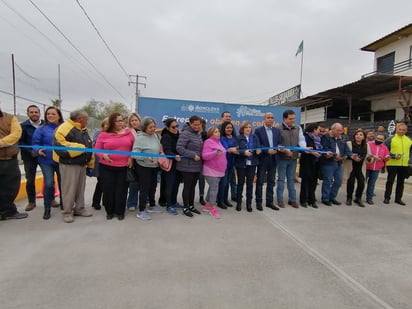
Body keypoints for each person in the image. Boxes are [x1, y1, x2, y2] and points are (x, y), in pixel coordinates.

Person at [53, 110, 94, 223]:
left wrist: (90, 162)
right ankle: (67, 212)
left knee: (80, 189)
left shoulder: (82, 129)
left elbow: (89, 145)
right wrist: (81, 148)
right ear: (80, 119)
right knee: (69, 189)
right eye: (86, 119)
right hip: (69, 164)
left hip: (81, 164)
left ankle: (79, 209)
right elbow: (60, 145)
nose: (87, 121)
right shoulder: (64, 128)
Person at [95, 112, 134, 220]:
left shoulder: (128, 133)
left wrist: (131, 157)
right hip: (106, 167)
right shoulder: (103, 134)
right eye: (118, 121)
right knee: (108, 189)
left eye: (122, 120)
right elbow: (97, 149)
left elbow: (133, 148)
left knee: (122, 190)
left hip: (123, 167)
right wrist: (103, 155)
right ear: (112, 122)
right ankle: (110, 211)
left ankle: (120, 211)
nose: (121, 122)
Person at [32, 106, 64, 219]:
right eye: (48, 114)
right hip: (46, 160)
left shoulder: (64, 128)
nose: (50, 116)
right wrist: (38, 149)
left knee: (63, 183)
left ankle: (64, 204)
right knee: (49, 183)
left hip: (62, 160)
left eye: (53, 114)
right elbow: (35, 143)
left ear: (59, 116)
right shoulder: (41, 129)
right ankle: (47, 209)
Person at [0, 107, 28, 220]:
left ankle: (8, 211)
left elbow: (16, 135)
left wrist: (1, 143)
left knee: (11, 187)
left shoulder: (10, 118)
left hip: (10, 160)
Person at [133, 117, 162, 220]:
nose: (153, 129)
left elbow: (158, 147)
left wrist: (160, 152)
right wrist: (145, 157)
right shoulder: (140, 138)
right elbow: (134, 154)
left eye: (154, 127)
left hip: (154, 166)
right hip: (144, 167)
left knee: (153, 187)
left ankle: (152, 205)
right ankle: (141, 211)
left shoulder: (155, 136)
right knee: (144, 189)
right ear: (144, 128)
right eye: (150, 127)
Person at [276, 110, 307, 208]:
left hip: (293, 158)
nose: (293, 120)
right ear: (284, 119)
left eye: (294, 118)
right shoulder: (278, 129)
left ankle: (292, 200)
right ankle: (280, 200)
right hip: (282, 158)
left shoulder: (298, 128)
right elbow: (277, 144)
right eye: (290, 119)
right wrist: (285, 150)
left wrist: (304, 148)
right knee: (281, 180)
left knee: (291, 179)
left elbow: (301, 140)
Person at [320, 123, 354, 206]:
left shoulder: (342, 138)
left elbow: (347, 149)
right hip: (328, 162)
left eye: (341, 130)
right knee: (328, 180)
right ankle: (325, 198)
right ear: (332, 129)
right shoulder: (326, 137)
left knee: (338, 180)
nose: (340, 132)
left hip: (339, 162)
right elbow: (325, 148)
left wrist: (351, 155)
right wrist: (334, 155)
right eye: (338, 130)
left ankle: (332, 197)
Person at [176, 115, 203, 218]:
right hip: (186, 166)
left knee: (192, 187)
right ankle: (185, 207)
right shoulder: (185, 133)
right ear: (190, 124)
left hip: (196, 166)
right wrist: (192, 155)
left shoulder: (198, 134)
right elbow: (179, 148)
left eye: (198, 125)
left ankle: (191, 206)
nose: (197, 126)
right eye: (195, 125)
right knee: (187, 187)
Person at [254, 112, 281, 211]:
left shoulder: (276, 131)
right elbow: (258, 144)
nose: (270, 119)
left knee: (271, 181)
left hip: (274, 159)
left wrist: (279, 148)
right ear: (264, 119)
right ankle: (259, 202)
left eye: (272, 118)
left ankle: (269, 202)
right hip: (263, 159)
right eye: (268, 117)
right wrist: (267, 150)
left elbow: (279, 143)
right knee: (260, 181)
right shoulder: (258, 131)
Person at [20, 105, 43, 211]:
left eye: (36, 112)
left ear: (39, 113)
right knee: (30, 180)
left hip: (44, 156)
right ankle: (31, 202)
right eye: (31, 112)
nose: (34, 114)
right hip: (29, 157)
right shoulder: (23, 126)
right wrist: (31, 152)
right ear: (28, 113)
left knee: (49, 179)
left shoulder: (45, 125)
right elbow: (20, 142)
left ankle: (51, 199)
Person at [383, 122, 412, 205]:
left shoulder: (409, 140)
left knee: (401, 182)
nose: (401, 131)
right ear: (396, 129)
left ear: (406, 131)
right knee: (390, 181)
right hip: (392, 164)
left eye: (403, 130)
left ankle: (398, 199)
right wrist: (393, 156)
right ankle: (387, 197)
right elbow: (385, 150)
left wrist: (410, 161)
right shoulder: (390, 139)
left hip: (404, 164)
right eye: (400, 129)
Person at [201, 126, 226, 219]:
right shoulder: (208, 142)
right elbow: (204, 156)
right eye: (215, 132)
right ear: (211, 133)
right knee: (215, 188)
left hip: (219, 170)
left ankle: (207, 205)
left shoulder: (218, 142)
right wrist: (214, 153)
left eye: (218, 131)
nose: (218, 133)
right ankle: (212, 207)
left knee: (213, 187)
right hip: (211, 169)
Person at [235, 121, 260, 212]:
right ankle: (239, 203)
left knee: (250, 184)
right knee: (240, 184)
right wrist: (243, 152)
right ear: (242, 129)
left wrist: (258, 151)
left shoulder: (255, 137)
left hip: (252, 164)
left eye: (250, 127)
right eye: (246, 127)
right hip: (241, 164)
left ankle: (249, 203)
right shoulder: (238, 138)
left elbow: (258, 148)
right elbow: (236, 151)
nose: (248, 129)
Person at [160, 118, 182, 215]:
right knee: (169, 185)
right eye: (173, 127)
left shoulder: (178, 136)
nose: (176, 128)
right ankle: (169, 205)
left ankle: (174, 202)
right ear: (168, 128)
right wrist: (174, 156)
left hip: (178, 165)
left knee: (176, 184)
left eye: (177, 126)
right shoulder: (166, 137)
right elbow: (167, 150)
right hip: (170, 165)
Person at [343, 129, 369, 207]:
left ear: (364, 137)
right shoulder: (349, 144)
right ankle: (349, 198)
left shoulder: (366, 146)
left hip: (360, 167)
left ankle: (358, 198)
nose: (358, 136)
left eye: (361, 135)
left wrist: (370, 158)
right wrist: (352, 157)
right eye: (357, 134)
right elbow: (344, 154)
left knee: (361, 183)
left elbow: (368, 157)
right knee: (350, 183)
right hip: (351, 166)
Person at [299, 123, 322, 208]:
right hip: (307, 162)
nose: (319, 132)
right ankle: (303, 200)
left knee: (314, 182)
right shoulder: (305, 137)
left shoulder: (319, 139)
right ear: (314, 129)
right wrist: (312, 152)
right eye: (318, 129)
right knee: (305, 182)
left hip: (316, 163)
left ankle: (312, 200)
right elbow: (302, 149)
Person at [217, 121, 238, 208]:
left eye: (231, 128)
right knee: (223, 183)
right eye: (227, 128)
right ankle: (220, 201)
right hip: (224, 164)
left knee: (228, 182)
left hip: (232, 163)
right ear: (224, 129)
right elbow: (226, 148)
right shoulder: (222, 138)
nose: (229, 129)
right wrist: (233, 149)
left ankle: (225, 199)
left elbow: (238, 146)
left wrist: (234, 148)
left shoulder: (234, 138)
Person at [90, 117, 109, 210]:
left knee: (107, 182)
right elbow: (95, 145)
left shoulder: (112, 134)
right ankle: (96, 202)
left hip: (109, 161)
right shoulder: (99, 133)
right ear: (103, 125)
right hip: (100, 161)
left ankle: (106, 201)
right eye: (106, 124)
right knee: (101, 182)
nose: (108, 126)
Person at [365, 134, 390, 204]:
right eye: (378, 138)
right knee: (362, 182)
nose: (378, 140)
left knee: (372, 183)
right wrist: (373, 156)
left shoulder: (384, 148)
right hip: (367, 166)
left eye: (381, 139)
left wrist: (387, 157)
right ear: (375, 137)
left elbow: (386, 156)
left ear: (383, 140)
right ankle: (358, 196)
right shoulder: (368, 144)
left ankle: (369, 198)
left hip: (377, 168)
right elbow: (364, 153)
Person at [126, 113, 141, 211]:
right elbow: (126, 146)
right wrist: (130, 157)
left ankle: (145, 201)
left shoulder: (143, 131)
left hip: (143, 161)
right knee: (133, 183)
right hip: (131, 160)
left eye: (136, 120)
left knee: (143, 183)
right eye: (132, 120)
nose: (134, 122)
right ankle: (131, 203)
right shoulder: (127, 132)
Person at [198, 118, 207, 206]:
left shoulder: (205, 135)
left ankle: (201, 196)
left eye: (201, 124)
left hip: (202, 160)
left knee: (201, 179)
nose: (199, 126)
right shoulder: (192, 133)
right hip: (194, 159)